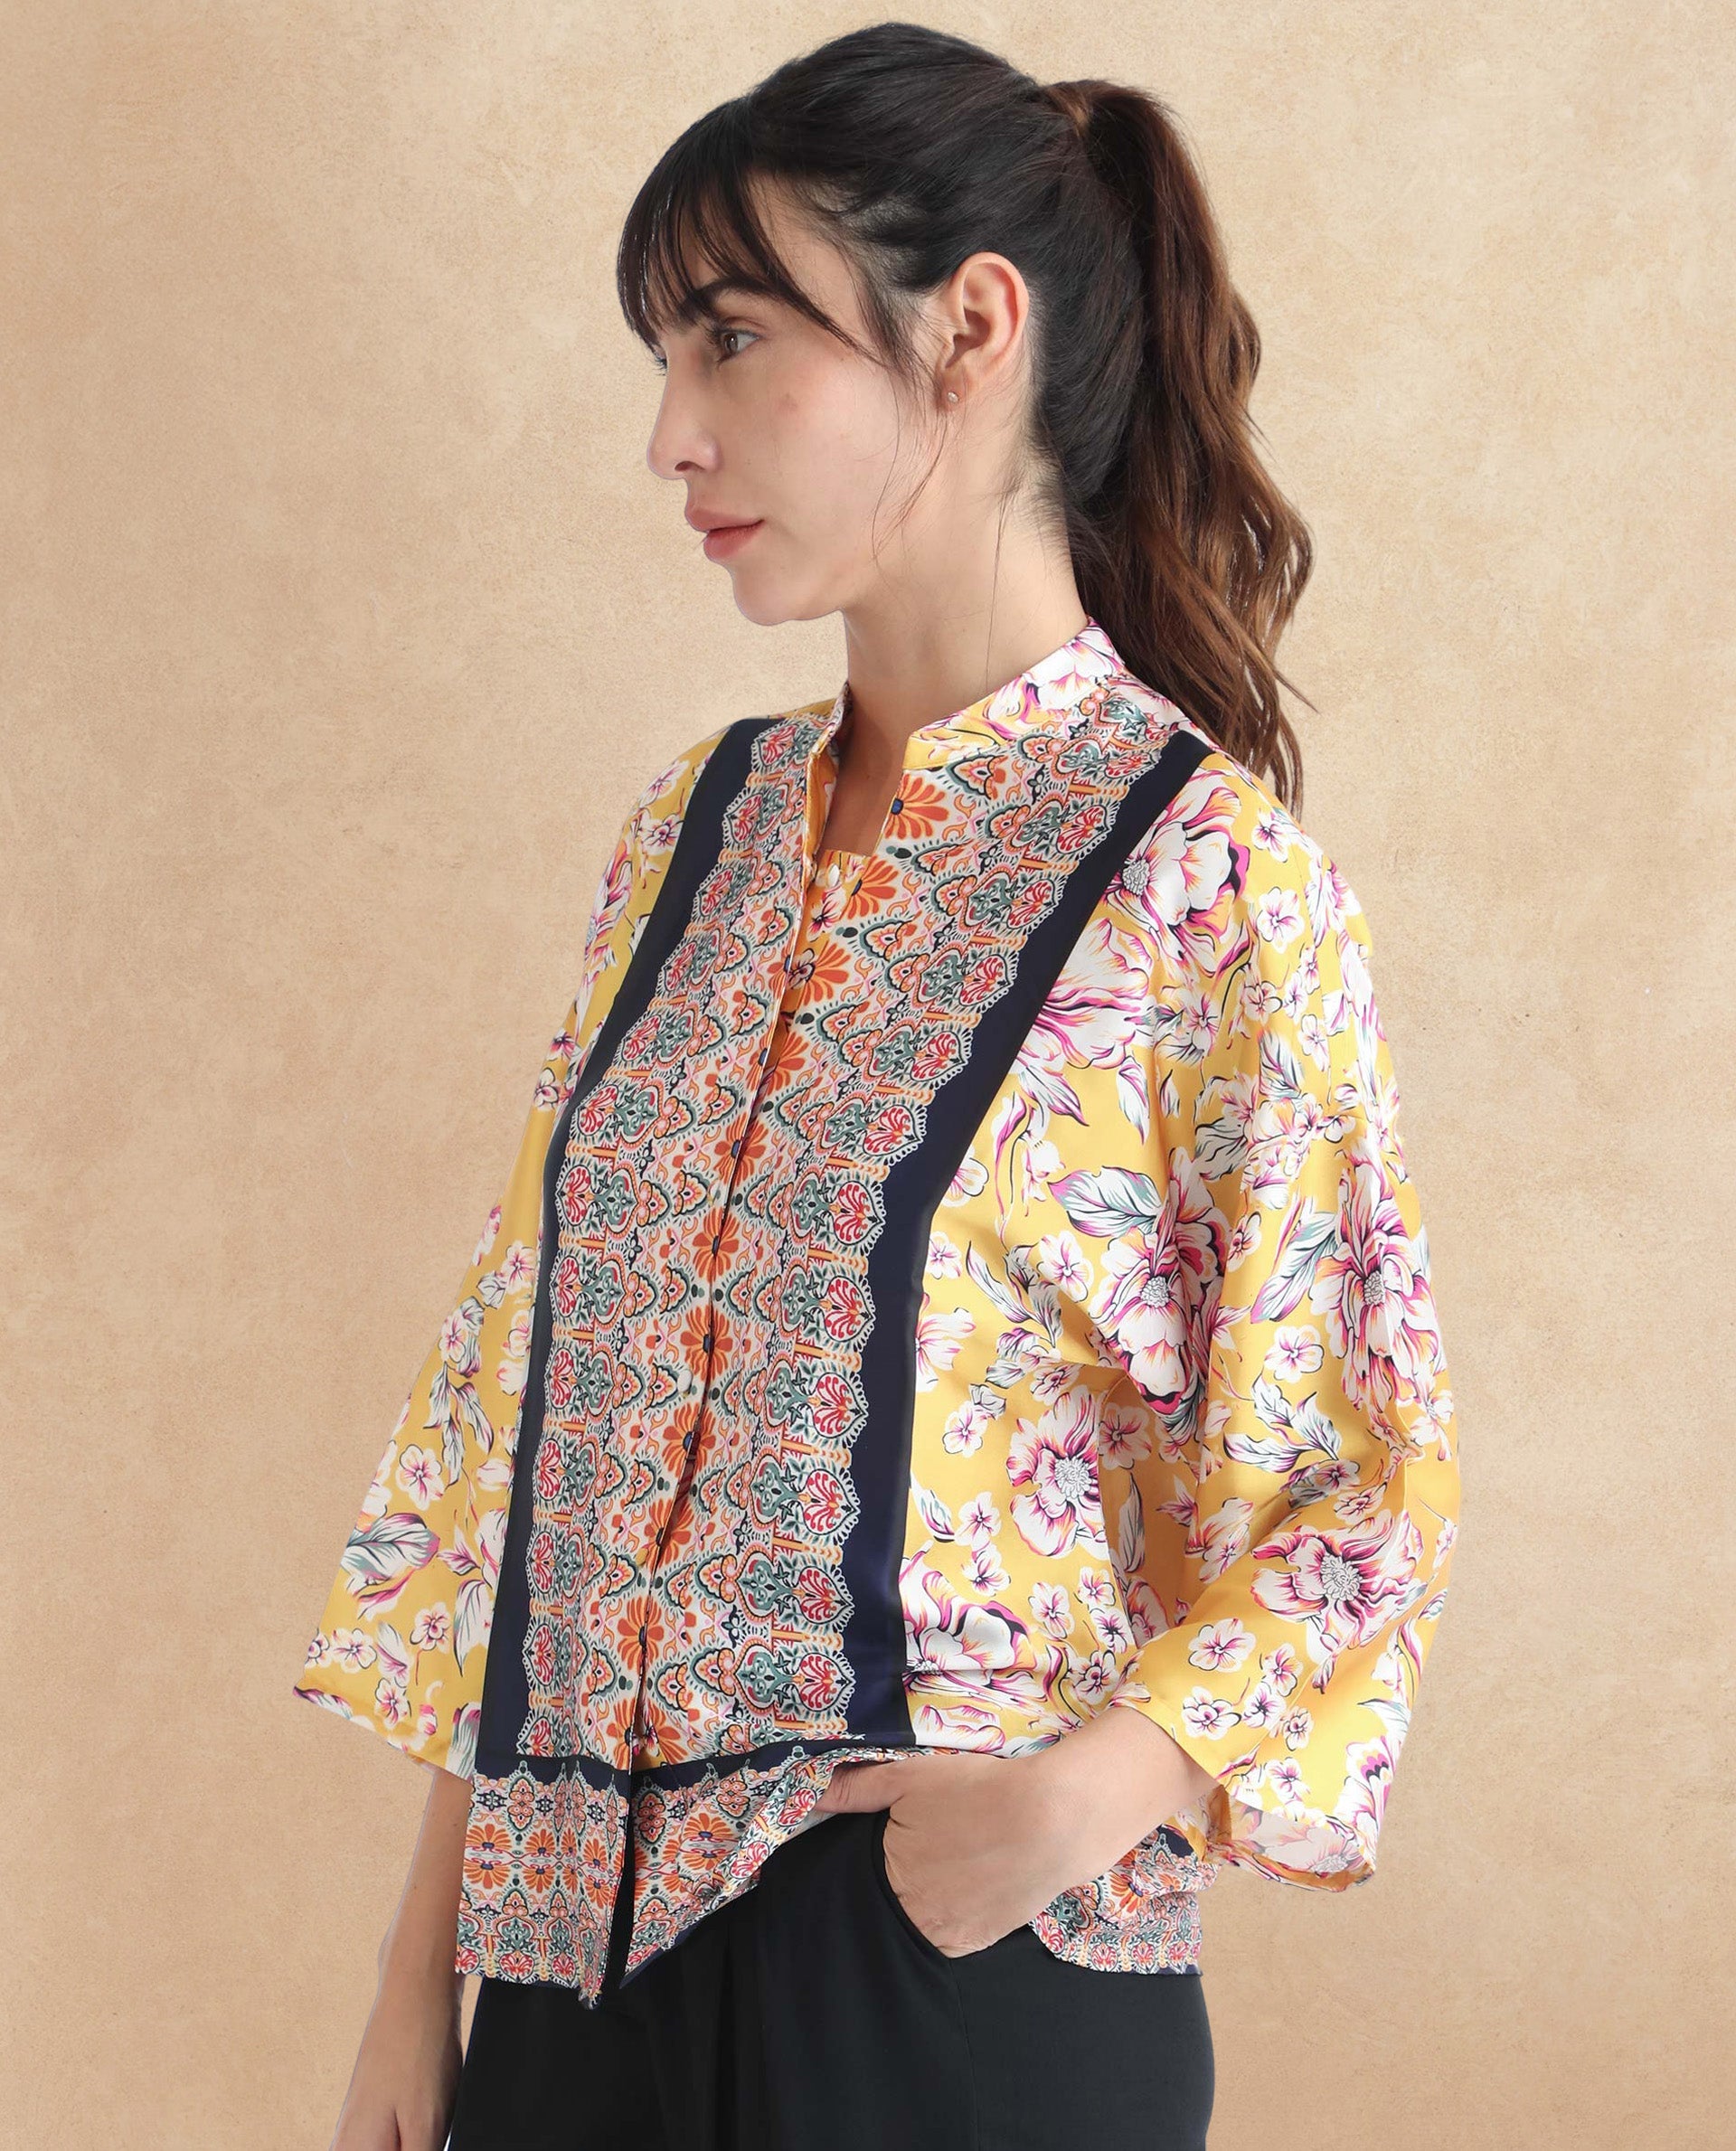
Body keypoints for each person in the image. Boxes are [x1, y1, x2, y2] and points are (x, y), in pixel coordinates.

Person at [296, 24, 1461, 2150]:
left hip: (947, 1974)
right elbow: (530, 1423)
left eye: (735, 339)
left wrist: (1079, 1802)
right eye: (669, 353)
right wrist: (414, 1976)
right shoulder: (690, 836)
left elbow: (1352, 1469)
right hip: (564, 1976)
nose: (673, 430)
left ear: (972, 331)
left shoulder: (1204, 879)